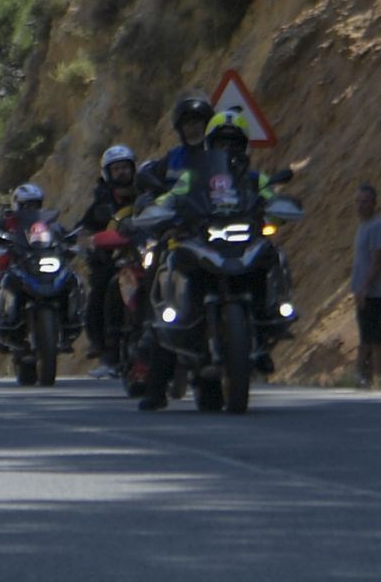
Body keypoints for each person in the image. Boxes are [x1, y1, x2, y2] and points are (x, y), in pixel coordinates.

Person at [137, 111, 277, 411]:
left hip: (242, 243)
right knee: (167, 301)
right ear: (211, 145)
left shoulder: (254, 179)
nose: (228, 149)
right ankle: (157, 387)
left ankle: (267, 320)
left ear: (244, 146)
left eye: (234, 142)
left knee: (272, 255)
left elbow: (273, 199)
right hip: (203, 241)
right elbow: (171, 199)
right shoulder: (193, 176)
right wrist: (162, 213)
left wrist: (279, 208)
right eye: (222, 142)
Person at [80, 144, 139, 377]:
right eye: (116, 169)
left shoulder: (147, 193)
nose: (122, 173)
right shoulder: (102, 202)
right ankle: (104, 346)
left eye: (126, 167)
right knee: (103, 287)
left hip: (145, 252)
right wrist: (90, 243)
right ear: (108, 174)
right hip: (112, 258)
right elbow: (84, 230)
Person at [351, 183, 381, 386]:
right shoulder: (362, 226)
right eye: (357, 201)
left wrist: (365, 287)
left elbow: (378, 261)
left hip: (374, 293)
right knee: (367, 338)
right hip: (363, 292)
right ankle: (362, 379)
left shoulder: (377, 226)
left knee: (376, 341)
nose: (360, 206)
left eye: (365, 201)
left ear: (374, 203)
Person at [144, 93, 213, 193]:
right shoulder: (174, 157)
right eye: (186, 123)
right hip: (177, 206)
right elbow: (146, 174)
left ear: (207, 122)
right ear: (180, 128)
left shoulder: (218, 152)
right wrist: (159, 188)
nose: (191, 127)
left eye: (196, 121)